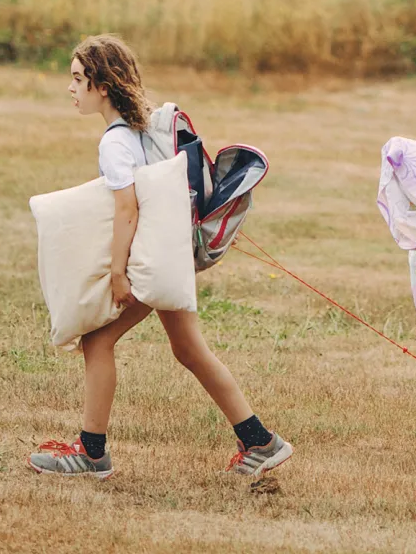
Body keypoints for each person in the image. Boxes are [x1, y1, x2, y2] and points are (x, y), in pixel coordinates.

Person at [28, 35, 292, 479]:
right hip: (171, 254)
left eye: (77, 79)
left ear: (103, 85)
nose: (70, 89)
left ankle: (92, 454)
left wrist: (117, 274)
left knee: (97, 341)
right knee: (189, 348)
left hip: (150, 261)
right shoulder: (140, 129)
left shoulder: (114, 142)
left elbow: (128, 210)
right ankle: (260, 441)